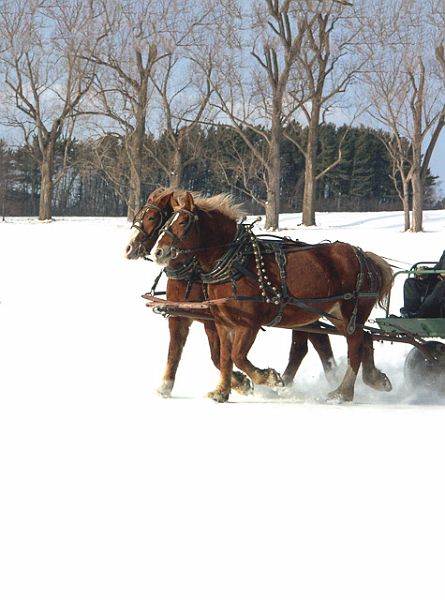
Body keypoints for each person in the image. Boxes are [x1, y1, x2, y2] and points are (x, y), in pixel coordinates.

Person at [401, 250, 445, 318]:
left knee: (441, 286)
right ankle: (411, 312)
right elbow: (437, 269)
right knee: (411, 283)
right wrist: (425, 273)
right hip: (437, 283)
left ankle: (421, 314)